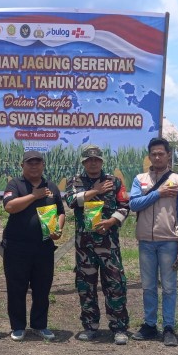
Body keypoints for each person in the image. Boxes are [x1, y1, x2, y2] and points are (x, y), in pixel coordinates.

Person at [64, 144, 131, 344]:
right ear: (84, 162)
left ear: (101, 161)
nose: (93, 163)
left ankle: (119, 328)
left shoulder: (115, 181)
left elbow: (125, 206)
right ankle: (90, 326)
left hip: (108, 244)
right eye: (88, 160)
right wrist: (94, 191)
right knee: (86, 286)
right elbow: (71, 201)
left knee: (115, 284)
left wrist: (112, 221)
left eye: (96, 159)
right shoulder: (75, 181)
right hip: (85, 246)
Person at [129, 137, 178, 346]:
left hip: (169, 241)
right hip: (146, 241)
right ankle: (149, 325)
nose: (157, 157)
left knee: (169, 287)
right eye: (154, 153)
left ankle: (169, 327)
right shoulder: (140, 179)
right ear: (149, 156)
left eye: (161, 153)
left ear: (168, 155)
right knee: (147, 286)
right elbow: (134, 204)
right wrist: (158, 193)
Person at [2, 150, 65, 342]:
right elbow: (9, 207)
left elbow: (61, 212)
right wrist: (34, 196)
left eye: (38, 163)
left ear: (43, 165)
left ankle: (40, 325)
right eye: (30, 163)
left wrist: (58, 229)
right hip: (17, 247)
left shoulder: (51, 186)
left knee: (42, 288)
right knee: (16, 288)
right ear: (23, 166)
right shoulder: (15, 184)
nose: (34, 166)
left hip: (44, 247)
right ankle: (18, 327)